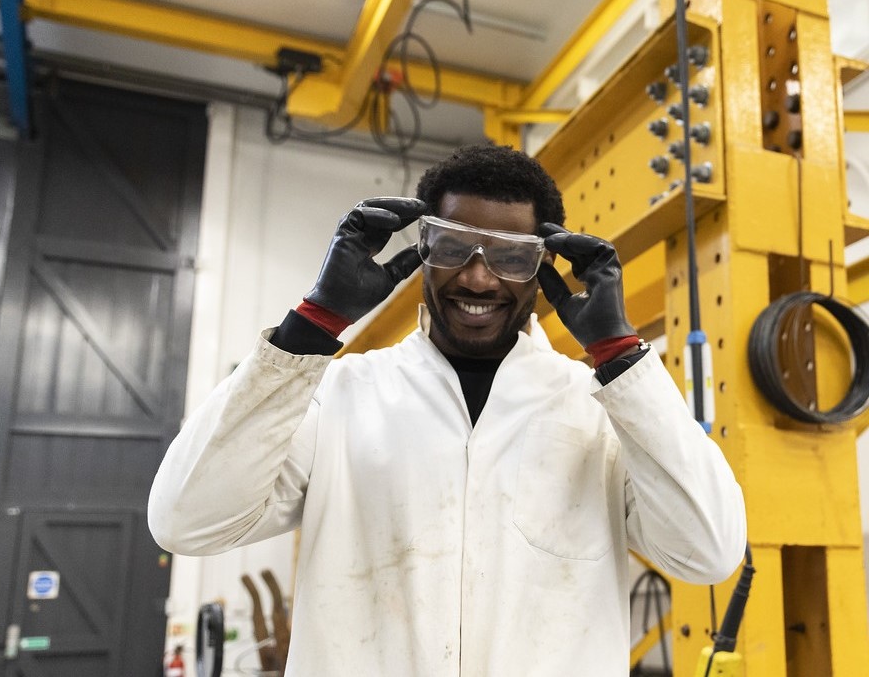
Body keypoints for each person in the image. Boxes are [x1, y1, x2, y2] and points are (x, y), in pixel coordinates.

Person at [148, 144, 747, 676]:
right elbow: (186, 520)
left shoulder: (597, 412)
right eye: (455, 248)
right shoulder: (342, 395)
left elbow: (708, 552)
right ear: (423, 250)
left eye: (510, 257)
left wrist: (620, 356)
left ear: (543, 267)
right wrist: (313, 326)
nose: (479, 278)